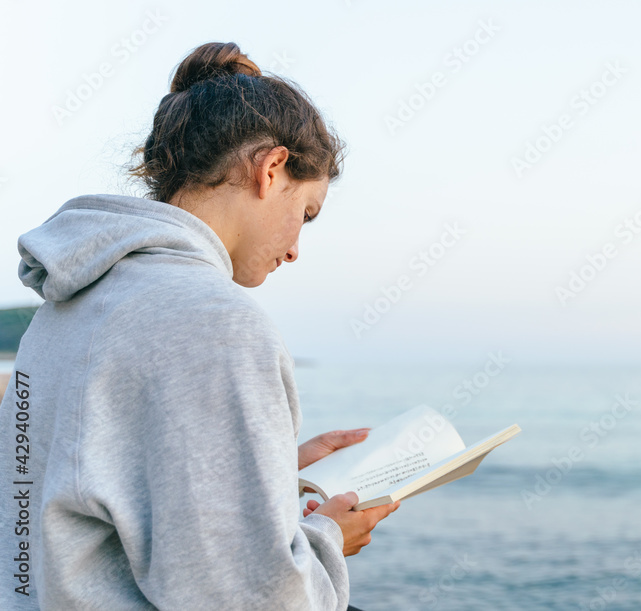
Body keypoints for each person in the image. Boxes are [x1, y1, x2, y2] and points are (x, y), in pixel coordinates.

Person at [0, 42, 397, 609]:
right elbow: (252, 599)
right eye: (305, 213)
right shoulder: (214, 323)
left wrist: (266, 473)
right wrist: (328, 537)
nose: (294, 250)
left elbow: (78, 500)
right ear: (272, 169)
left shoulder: (65, 307)